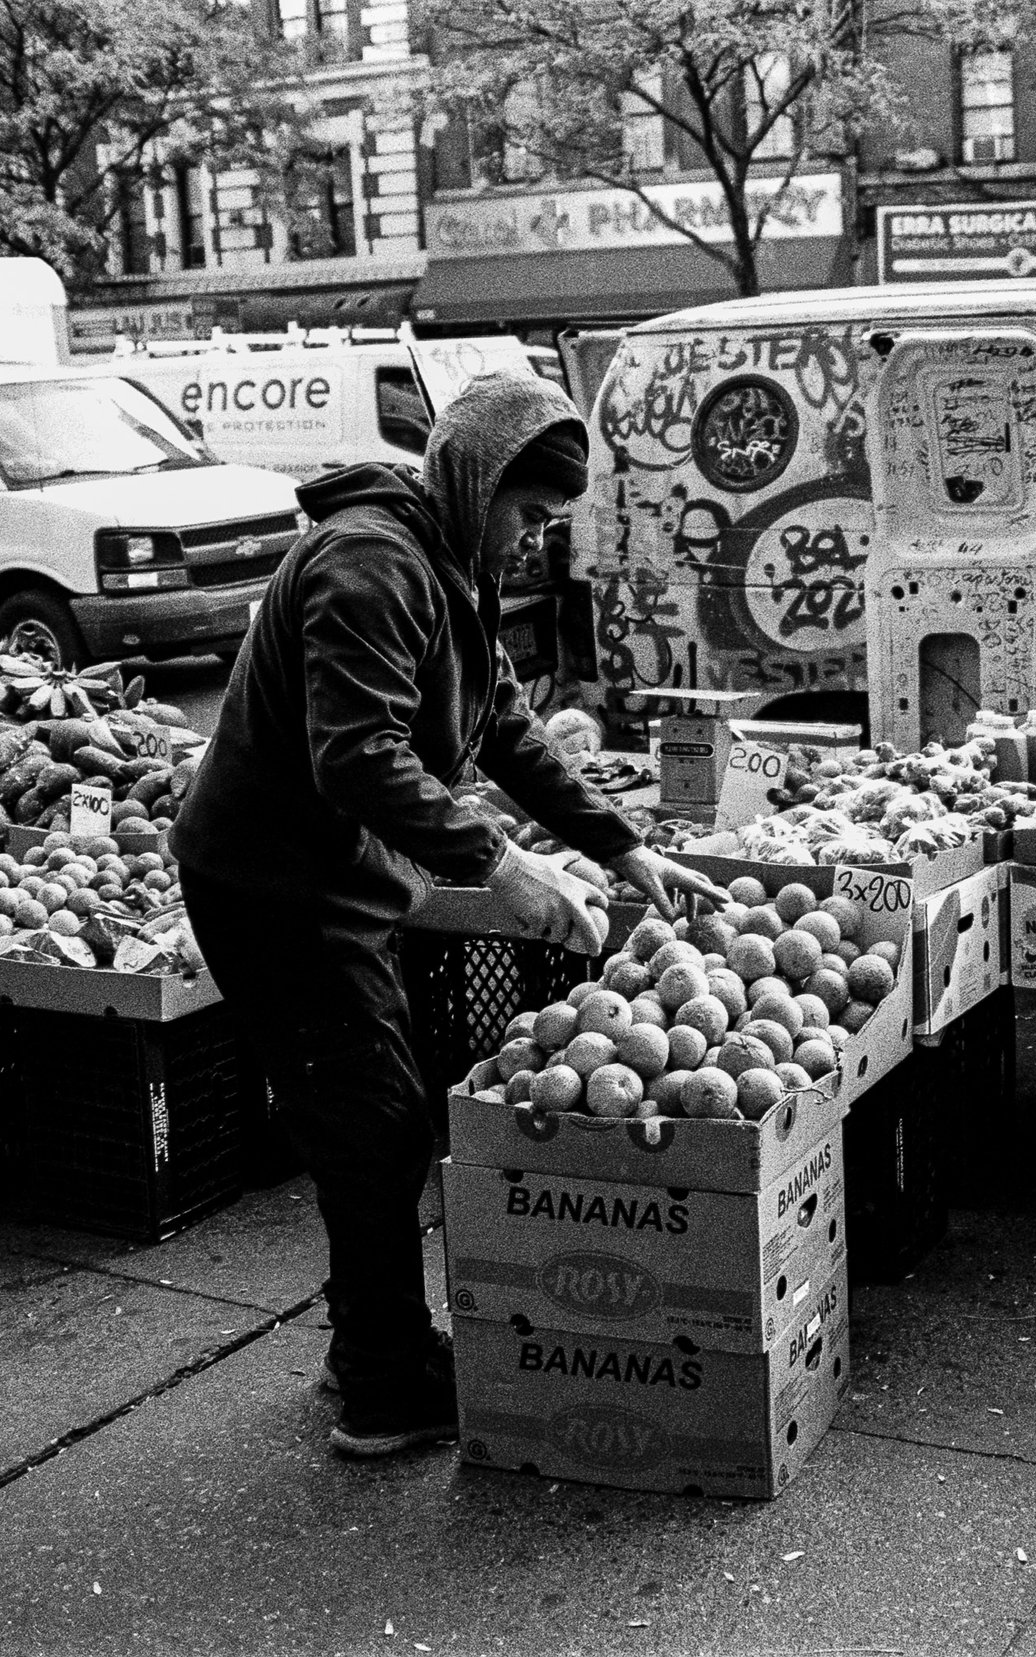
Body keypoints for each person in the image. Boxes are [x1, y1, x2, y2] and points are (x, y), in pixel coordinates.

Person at [172, 375, 724, 1459]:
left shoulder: (450, 564)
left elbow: (507, 727)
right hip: (272, 885)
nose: (531, 542)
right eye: (528, 515)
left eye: (548, 524)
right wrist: (502, 865)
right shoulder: (373, 563)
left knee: (373, 1119)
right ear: (477, 482)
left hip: (331, 878)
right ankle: (383, 1386)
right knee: (373, 1127)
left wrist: (618, 840)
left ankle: (369, 1344)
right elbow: (355, 753)